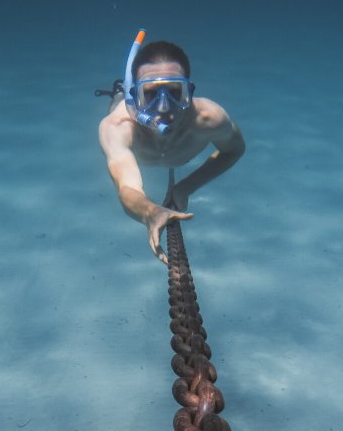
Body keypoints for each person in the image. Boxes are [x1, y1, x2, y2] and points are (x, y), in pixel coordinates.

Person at [98, 31, 245, 264]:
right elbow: (126, 188)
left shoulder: (209, 118)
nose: (164, 107)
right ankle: (120, 92)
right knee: (116, 106)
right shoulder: (117, 127)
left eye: (175, 92)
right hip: (124, 112)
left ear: (189, 93)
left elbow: (234, 149)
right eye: (151, 94)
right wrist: (151, 212)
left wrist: (186, 187)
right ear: (135, 96)